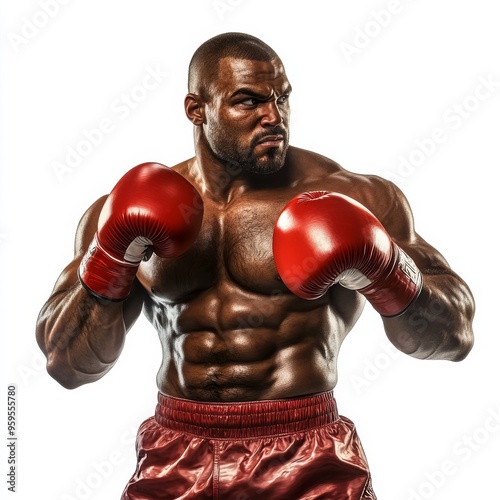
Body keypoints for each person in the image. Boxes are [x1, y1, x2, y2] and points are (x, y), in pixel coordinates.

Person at [36, 32, 475, 499]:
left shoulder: (354, 196)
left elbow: (454, 337)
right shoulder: (121, 211)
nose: (274, 117)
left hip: (304, 455)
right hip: (176, 455)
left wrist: (387, 270)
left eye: (281, 98)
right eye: (248, 101)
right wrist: (109, 255)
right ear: (196, 109)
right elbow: (69, 365)